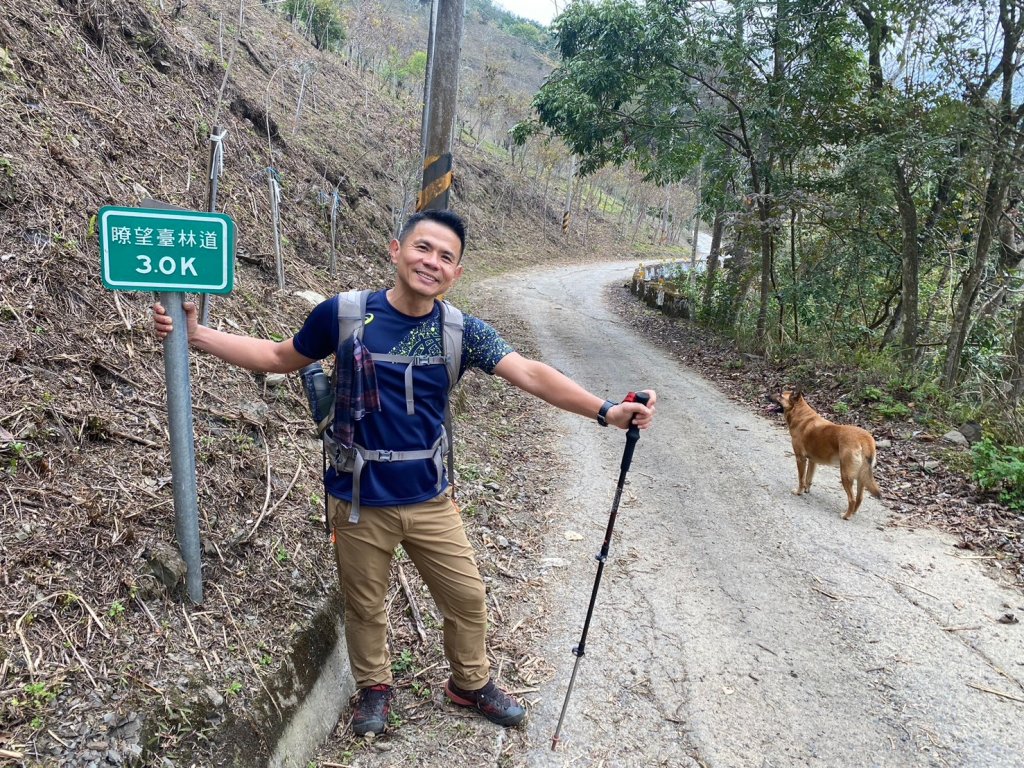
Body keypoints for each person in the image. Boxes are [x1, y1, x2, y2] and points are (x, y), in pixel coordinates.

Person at [152, 209, 656, 736]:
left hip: (429, 499)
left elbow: (529, 372)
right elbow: (279, 356)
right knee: (365, 603)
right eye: (423, 248)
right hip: (357, 496)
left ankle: (469, 682)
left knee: (467, 597)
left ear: (457, 272)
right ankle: (374, 688)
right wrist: (198, 335)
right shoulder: (344, 315)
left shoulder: (461, 331)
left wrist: (606, 411)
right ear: (396, 250)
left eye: (446, 256)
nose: (431, 262)